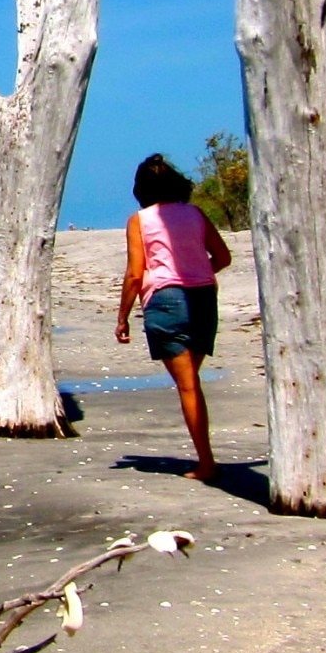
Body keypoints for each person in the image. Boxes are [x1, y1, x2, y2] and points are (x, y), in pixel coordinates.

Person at [114, 153, 234, 480]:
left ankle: (207, 463)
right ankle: (205, 459)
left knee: (188, 386)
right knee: (191, 382)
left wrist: (123, 317)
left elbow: (135, 275)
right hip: (204, 297)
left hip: (167, 300)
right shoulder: (195, 214)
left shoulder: (140, 220)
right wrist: (195, 271)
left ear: (141, 189)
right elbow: (223, 256)